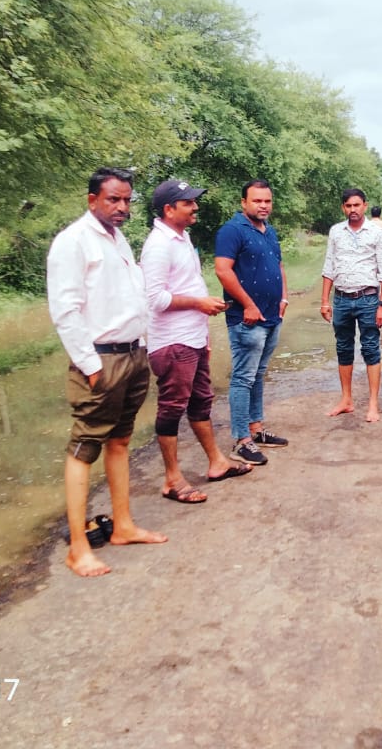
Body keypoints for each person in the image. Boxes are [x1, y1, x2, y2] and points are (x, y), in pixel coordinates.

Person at [46, 167, 167, 577]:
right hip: (100, 360)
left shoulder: (119, 241)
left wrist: (144, 346)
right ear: (92, 199)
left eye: (127, 200)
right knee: (85, 446)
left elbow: (130, 298)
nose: (121, 207)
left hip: (133, 355)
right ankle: (78, 548)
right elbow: (65, 310)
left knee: (121, 440)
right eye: (113, 199)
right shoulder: (73, 242)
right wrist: (90, 364)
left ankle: (124, 525)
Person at [141, 178, 252, 503]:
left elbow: (185, 284)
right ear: (168, 209)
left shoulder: (182, 237)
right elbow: (155, 299)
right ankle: (172, 479)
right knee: (172, 407)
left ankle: (216, 462)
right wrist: (198, 303)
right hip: (172, 342)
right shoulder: (158, 246)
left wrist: (202, 332)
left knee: (201, 401)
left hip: (192, 338)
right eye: (188, 202)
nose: (195, 207)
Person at [214, 180, 290, 467]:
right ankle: (241, 440)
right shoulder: (232, 231)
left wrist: (283, 298)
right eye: (257, 201)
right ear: (243, 202)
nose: (263, 206)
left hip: (272, 315)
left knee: (258, 374)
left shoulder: (269, 231)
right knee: (243, 377)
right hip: (247, 318)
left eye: (267, 201)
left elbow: (279, 266)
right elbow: (222, 271)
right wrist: (247, 304)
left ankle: (256, 430)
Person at [321, 189, 382, 423]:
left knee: (371, 348)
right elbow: (329, 266)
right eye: (348, 206)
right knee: (343, 348)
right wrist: (325, 301)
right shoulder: (336, 232)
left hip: (368, 298)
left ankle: (373, 404)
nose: (353, 209)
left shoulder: (377, 233)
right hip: (341, 298)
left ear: (365, 205)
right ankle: (346, 399)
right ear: (343, 208)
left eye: (357, 205)